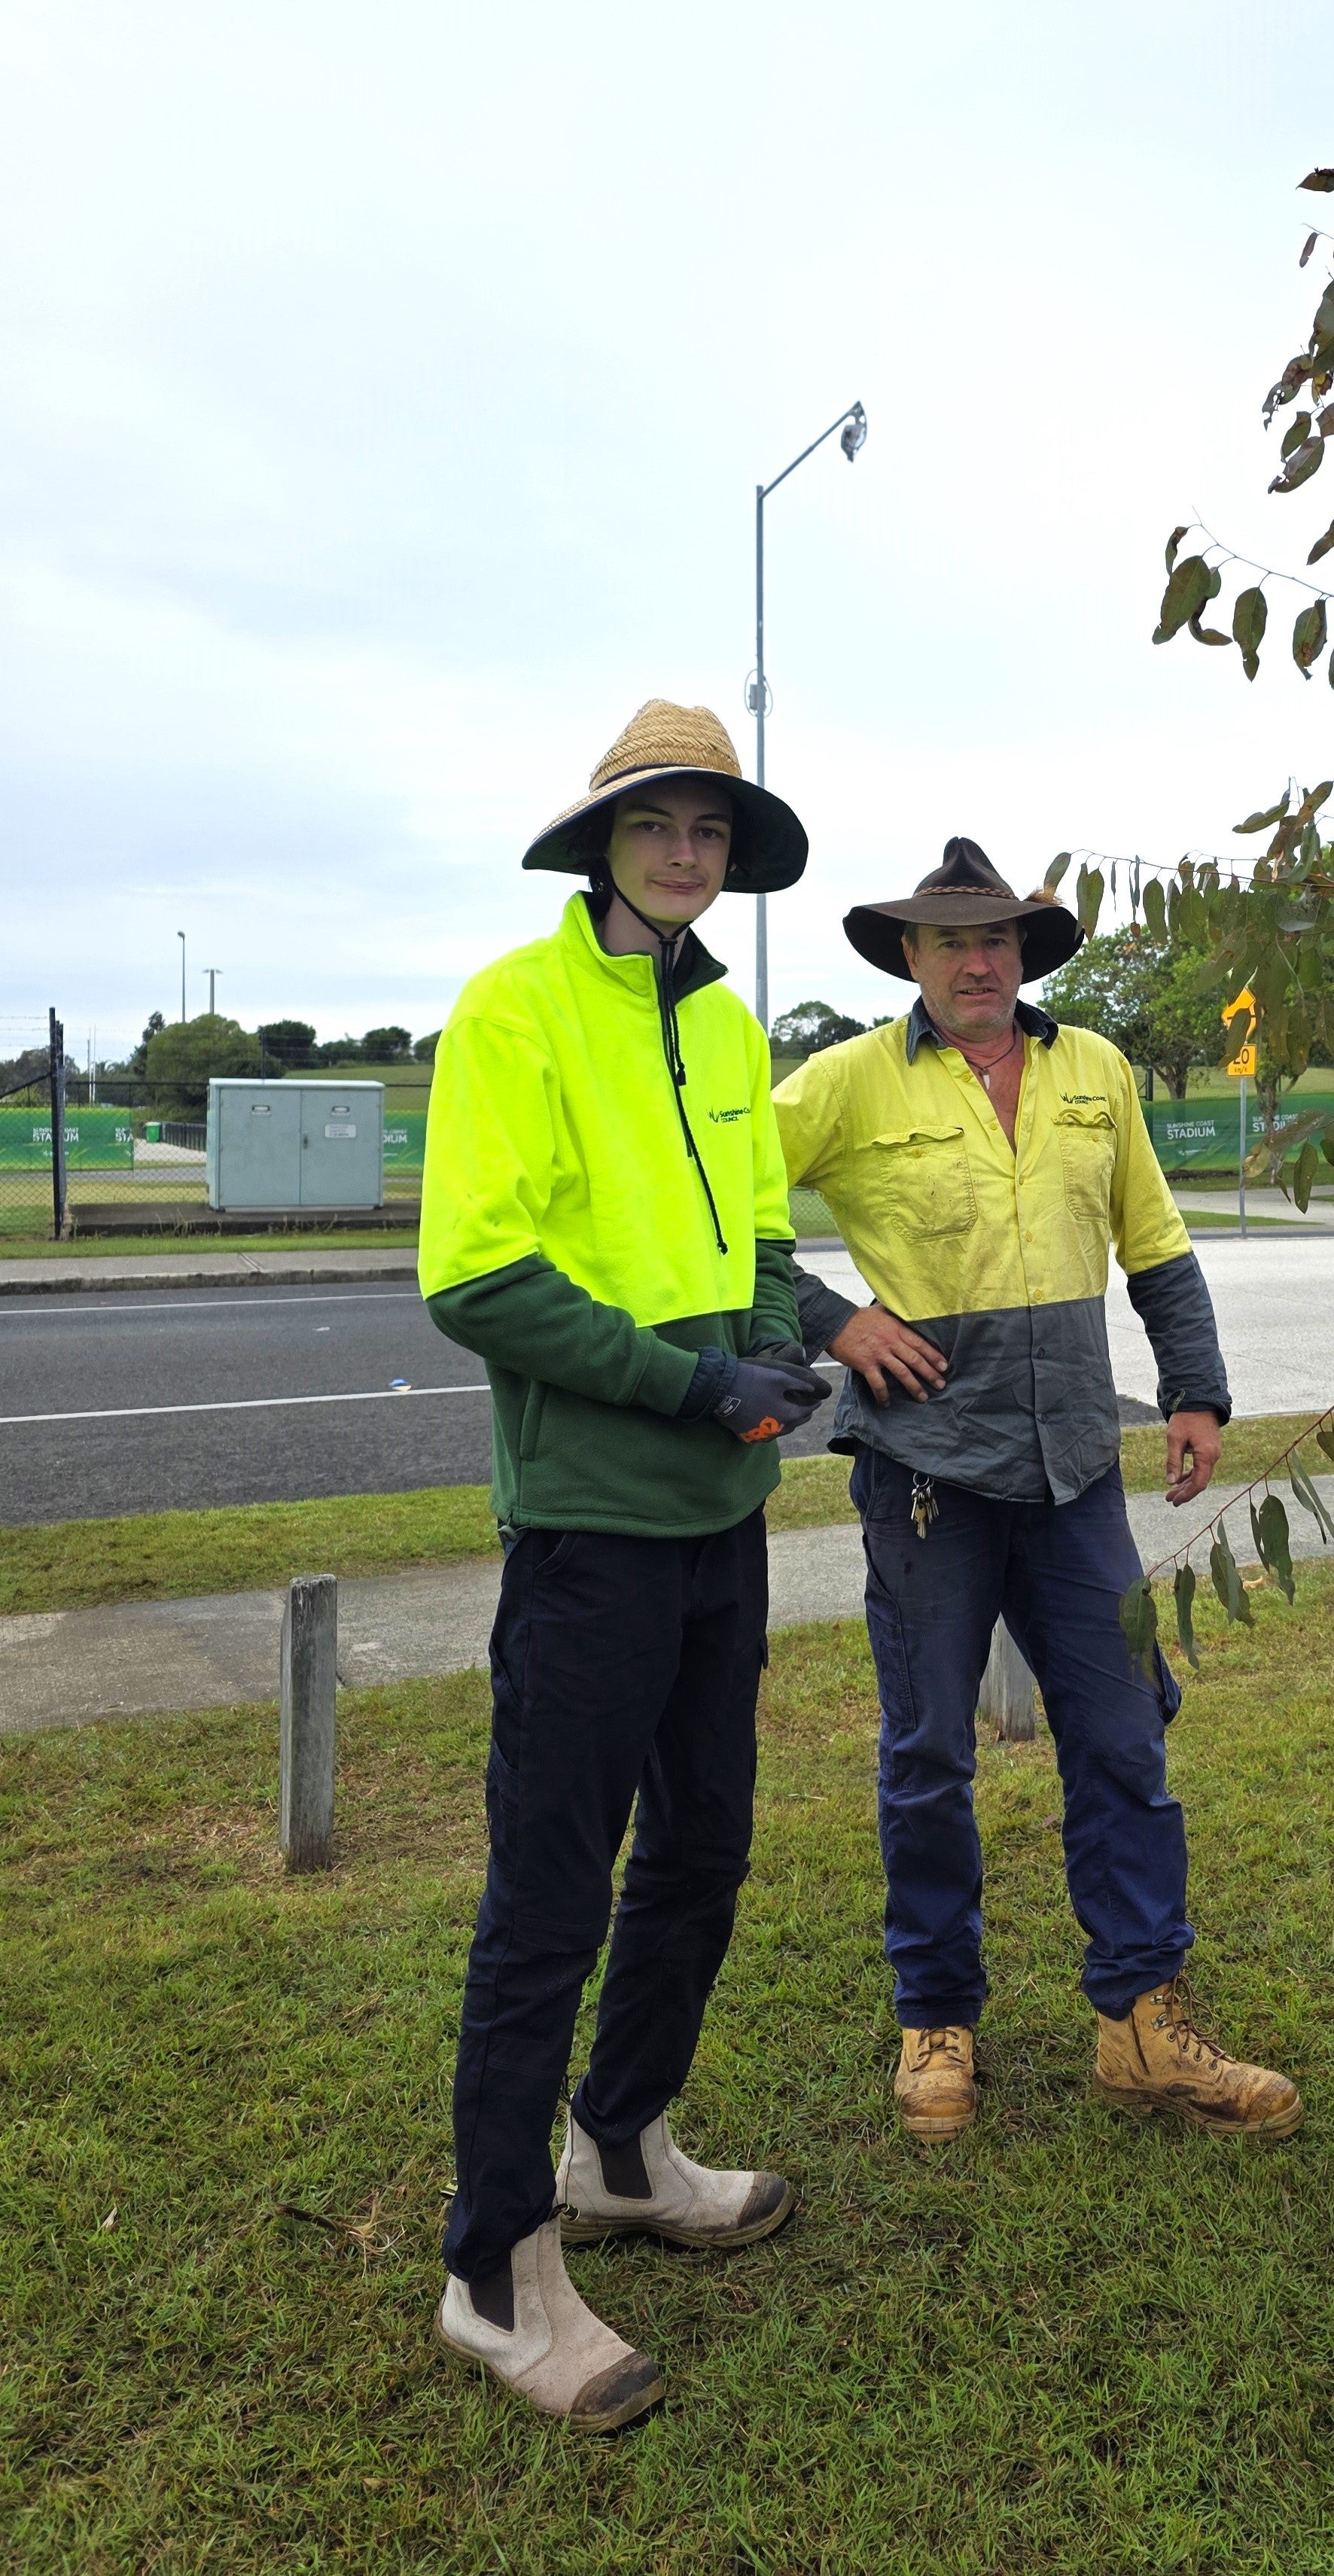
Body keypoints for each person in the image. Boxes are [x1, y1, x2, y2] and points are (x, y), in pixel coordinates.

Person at [418, 700, 831, 2431]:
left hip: (721, 1523)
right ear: (604, 839)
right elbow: (479, 1275)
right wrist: (686, 1380)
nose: (686, 852)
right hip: (590, 1521)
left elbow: (760, 1228)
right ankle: (496, 2268)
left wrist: (772, 1344)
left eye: (712, 830)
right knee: (549, 1896)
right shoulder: (512, 1010)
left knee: (709, 1846)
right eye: (659, 822)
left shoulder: (730, 1029)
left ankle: (620, 2146)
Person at [774, 836, 1302, 2145]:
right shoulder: (841, 1083)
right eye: (951, 938)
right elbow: (714, 1210)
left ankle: (1140, 2019)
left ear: (1028, 953)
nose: (977, 958)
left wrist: (1197, 1388)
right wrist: (835, 1320)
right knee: (930, 1753)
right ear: (910, 955)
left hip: (1075, 1471)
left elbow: (1160, 1245)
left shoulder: (1094, 1073)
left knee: (1124, 1738)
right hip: (927, 1475)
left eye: (999, 937)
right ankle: (937, 2016)